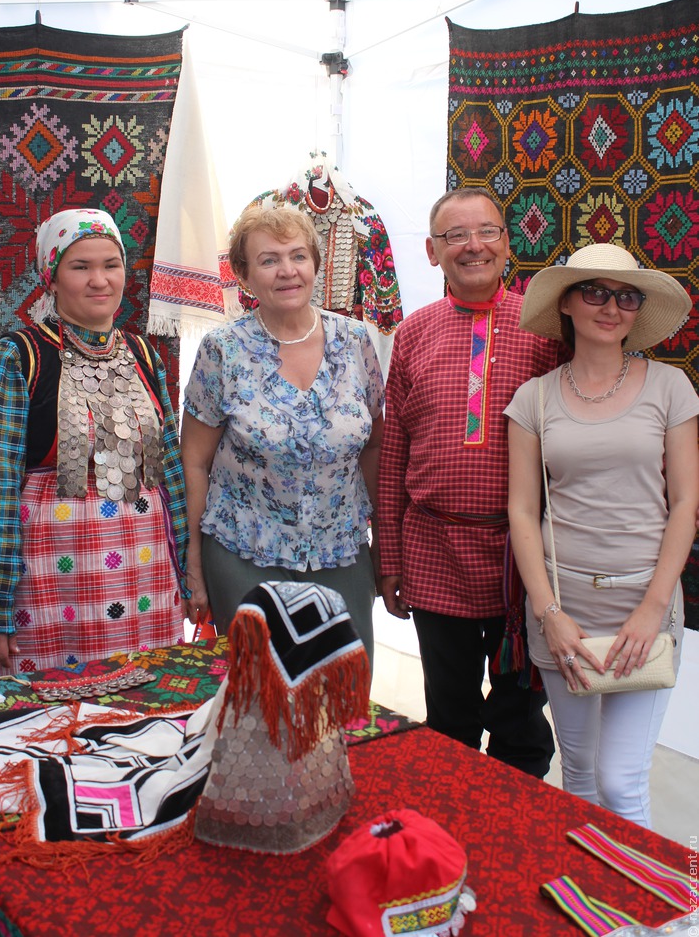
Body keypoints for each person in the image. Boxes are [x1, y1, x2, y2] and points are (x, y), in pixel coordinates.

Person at [505, 242, 698, 827]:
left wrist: (652, 609)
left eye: (626, 296)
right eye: (594, 291)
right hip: (566, 614)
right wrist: (549, 613)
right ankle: (588, 908)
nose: (610, 307)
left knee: (621, 779)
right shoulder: (534, 398)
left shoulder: (670, 389)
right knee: (582, 772)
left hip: (644, 607)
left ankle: (641, 915)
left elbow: (686, 502)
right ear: (565, 303)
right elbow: (521, 510)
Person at [0, 208, 202, 677]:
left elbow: (172, 473)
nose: (100, 280)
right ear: (51, 278)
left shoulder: (143, 355)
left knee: (148, 705)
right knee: (59, 725)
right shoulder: (15, 358)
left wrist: (189, 573)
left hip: (147, 575)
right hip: (55, 587)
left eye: (110, 265)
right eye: (80, 267)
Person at [378, 187, 560, 778]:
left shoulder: (548, 331)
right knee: (448, 720)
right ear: (433, 252)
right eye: (455, 236)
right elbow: (394, 454)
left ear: (508, 243)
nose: (473, 246)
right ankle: (451, 839)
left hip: (520, 563)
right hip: (435, 557)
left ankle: (513, 837)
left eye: (486, 231)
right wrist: (391, 558)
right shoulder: (413, 333)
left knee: (521, 723)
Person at [181, 204, 384, 664]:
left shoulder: (355, 342)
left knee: (346, 698)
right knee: (261, 700)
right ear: (244, 274)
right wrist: (194, 563)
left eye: (298, 256)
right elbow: (194, 460)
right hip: (245, 552)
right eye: (269, 259)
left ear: (315, 263)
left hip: (341, 553)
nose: (287, 271)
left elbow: (374, 445)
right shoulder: (223, 351)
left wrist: (385, 546)